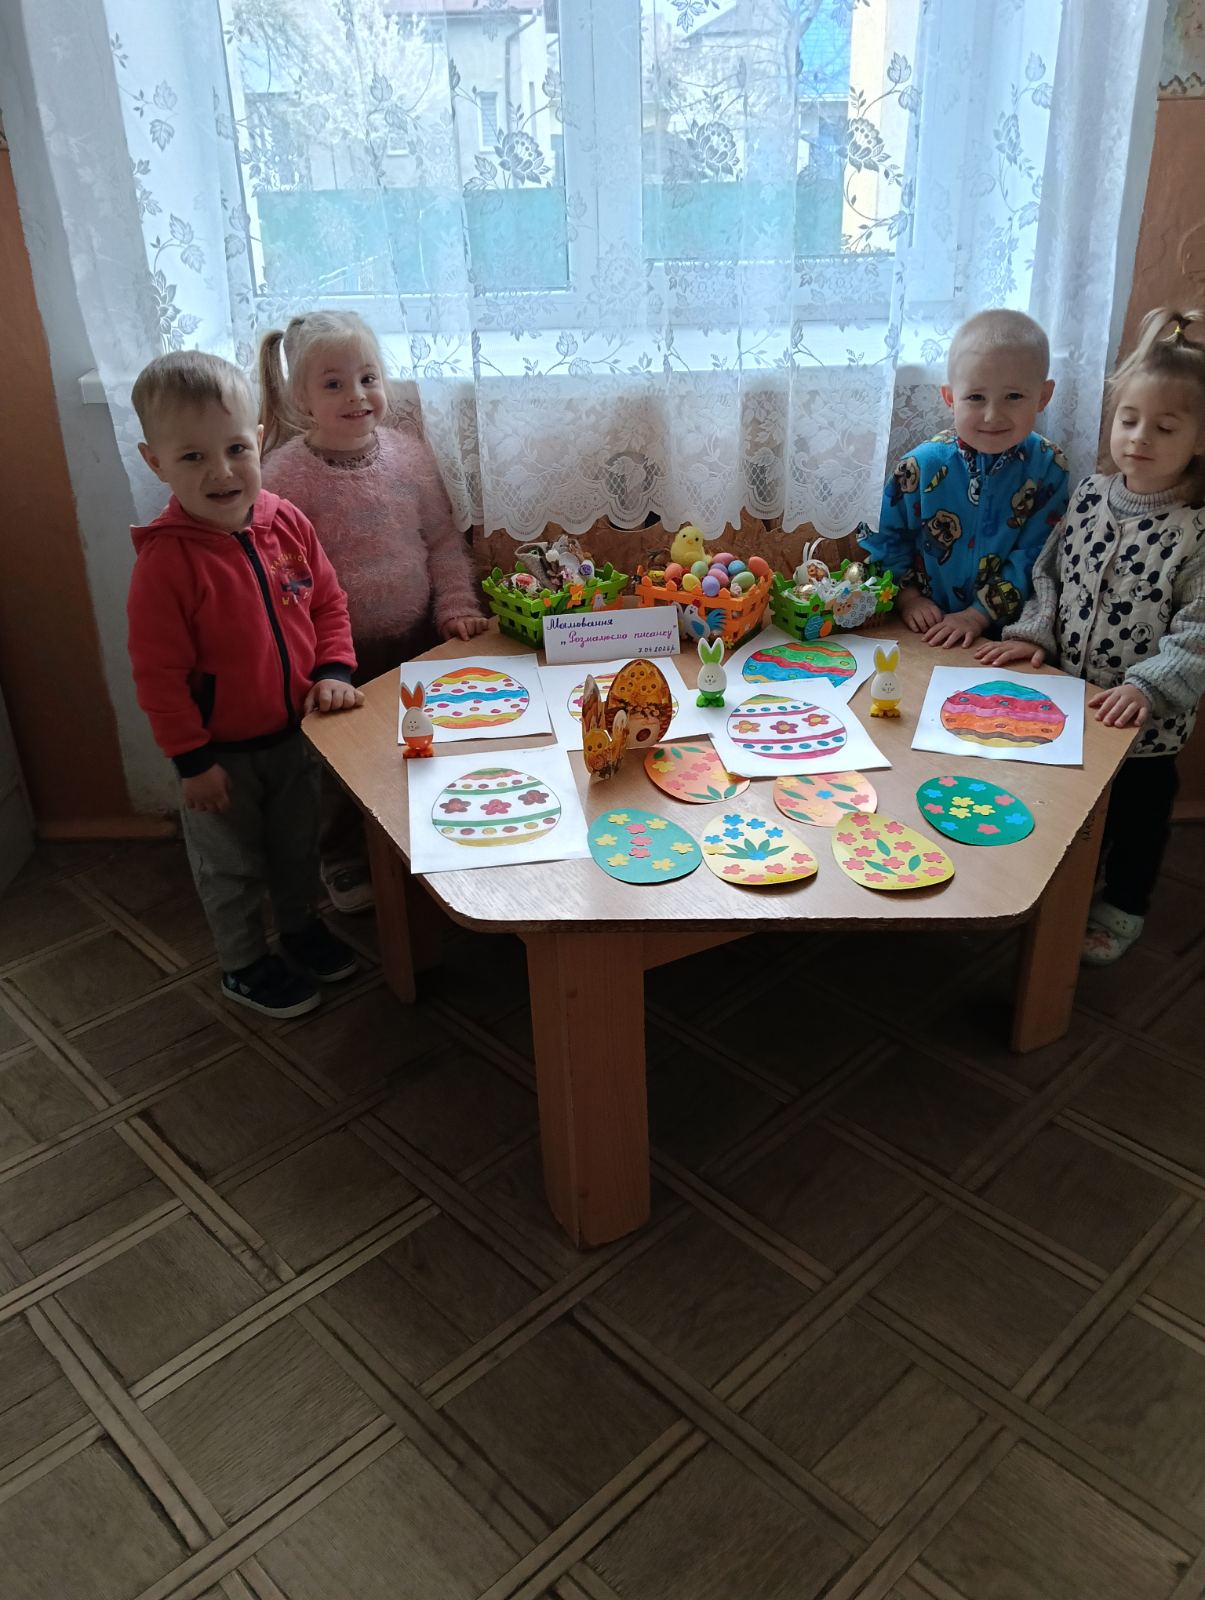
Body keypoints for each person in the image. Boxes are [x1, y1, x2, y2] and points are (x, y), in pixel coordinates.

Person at [126, 350, 363, 1018]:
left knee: (296, 847)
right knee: (230, 867)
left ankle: (300, 928)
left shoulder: (286, 523)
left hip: (296, 735)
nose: (222, 472)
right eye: (193, 457)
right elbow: (158, 676)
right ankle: (243, 964)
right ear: (156, 462)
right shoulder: (165, 564)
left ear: (258, 439)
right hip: (218, 758)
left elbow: (327, 604)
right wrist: (191, 762)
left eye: (235, 448)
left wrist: (334, 671)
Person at [978, 307, 1205, 964]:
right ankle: (1060, 887)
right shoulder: (1088, 495)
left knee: (1136, 820)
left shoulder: (1195, 530)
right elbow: (1050, 575)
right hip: (1067, 699)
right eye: (1128, 420)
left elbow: (1198, 630)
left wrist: (1147, 687)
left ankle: (1122, 907)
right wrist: (1032, 635)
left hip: (1143, 726)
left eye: (1164, 427)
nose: (1139, 438)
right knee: (1067, 805)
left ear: (1198, 437)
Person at [258, 311, 487, 912]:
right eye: (334, 384)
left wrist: (456, 606)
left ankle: (430, 836)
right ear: (301, 398)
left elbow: (442, 541)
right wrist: (310, 658)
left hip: (417, 640)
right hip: (337, 658)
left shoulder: (408, 457)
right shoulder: (285, 477)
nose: (357, 395)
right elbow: (281, 579)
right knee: (343, 767)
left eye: (367, 378)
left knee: (421, 745)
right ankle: (343, 858)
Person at [863, 308, 1070, 647]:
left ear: (1043, 396)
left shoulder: (1049, 467)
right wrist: (908, 598)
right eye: (975, 397)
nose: (992, 415)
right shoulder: (920, 466)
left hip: (1008, 637)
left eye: (1014, 396)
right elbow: (884, 538)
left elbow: (1036, 555)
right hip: (924, 629)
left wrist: (977, 615)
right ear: (950, 398)